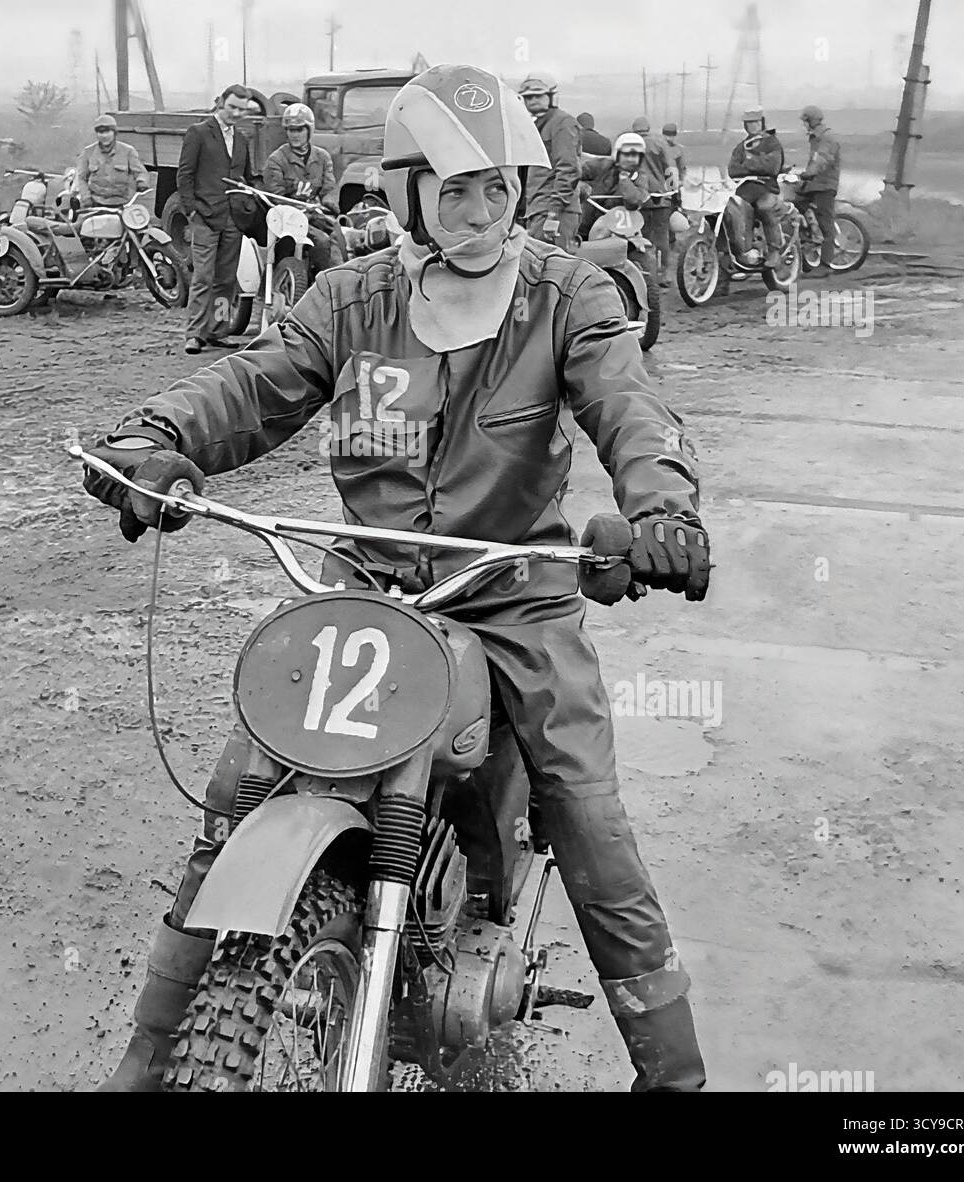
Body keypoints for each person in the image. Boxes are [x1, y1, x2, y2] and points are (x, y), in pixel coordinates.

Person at [85, 63, 710, 1094]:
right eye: (454, 188)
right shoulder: (356, 293)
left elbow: (627, 401)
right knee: (238, 793)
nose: (478, 210)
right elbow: (256, 381)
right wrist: (157, 436)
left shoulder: (565, 292)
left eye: (496, 188)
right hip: (367, 588)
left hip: (512, 593)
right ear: (408, 192)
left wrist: (659, 511)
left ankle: (673, 1074)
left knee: (585, 810)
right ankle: (147, 1062)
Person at [176, 84, 259, 355]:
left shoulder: (243, 140)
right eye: (232, 107)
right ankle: (195, 334)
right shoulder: (198, 133)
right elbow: (184, 175)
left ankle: (218, 331)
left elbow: (245, 179)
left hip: (232, 220)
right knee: (203, 277)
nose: (235, 113)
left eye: (241, 110)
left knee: (226, 280)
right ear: (221, 103)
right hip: (205, 218)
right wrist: (192, 211)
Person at [261, 102, 347, 271]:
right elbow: (275, 196)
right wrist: (298, 206)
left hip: (315, 215)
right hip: (286, 219)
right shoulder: (276, 160)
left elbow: (329, 188)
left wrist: (329, 205)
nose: (295, 134)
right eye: (291, 130)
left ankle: (341, 279)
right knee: (321, 241)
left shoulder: (322, 157)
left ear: (309, 130)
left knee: (340, 237)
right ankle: (321, 283)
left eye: (300, 129)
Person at [516, 74, 581, 251]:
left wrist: (554, 211)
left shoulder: (562, 123)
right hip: (537, 208)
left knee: (554, 268)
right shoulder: (534, 125)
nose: (533, 100)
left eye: (539, 95)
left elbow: (568, 168)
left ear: (550, 97)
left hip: (554, 210)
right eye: (529, 97)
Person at [726, 106, 786, 271]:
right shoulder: (741, 147)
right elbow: (732, 170)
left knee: (764, 207)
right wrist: (758, 164)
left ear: (762, 123)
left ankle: (774, 250)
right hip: (745, 190)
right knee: (732, 212)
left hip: (767, 188)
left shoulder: (771, 142)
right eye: (749, 123)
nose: (753, 126)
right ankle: (740, 251)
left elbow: (772, 167)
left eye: (756, 122)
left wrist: (748, 164)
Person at [794, 105, 841, 278]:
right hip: (814, 184)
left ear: (812, 121)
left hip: (824, 186)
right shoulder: (815, 138)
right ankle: (808, 241)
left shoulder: (826, 138)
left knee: (826, 225)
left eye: (805, 121)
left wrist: (809, 173)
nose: (804, 125)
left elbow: (822, 160)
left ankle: (826, 264)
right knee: (794, 202)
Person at [628, 116, 680, 272]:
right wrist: (673, 191)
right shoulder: (660, 143)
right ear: (648, 128)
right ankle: (664, 272)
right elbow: (670, 167)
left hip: (639, 197)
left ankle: (646, 272)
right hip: (660, 197)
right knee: (662, 236)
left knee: (642, 235)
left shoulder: (629, 144)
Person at [73, 114, 150, 210]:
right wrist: (86, 198)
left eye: (108, 131)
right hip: (95, 203)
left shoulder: (128, 151)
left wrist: (141, 182)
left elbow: (140, 172)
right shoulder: (88, 152)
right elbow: (81, 178)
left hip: (124, 204)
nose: (104, 136)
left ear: (114, 132)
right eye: (101, 132)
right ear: (96, 134)